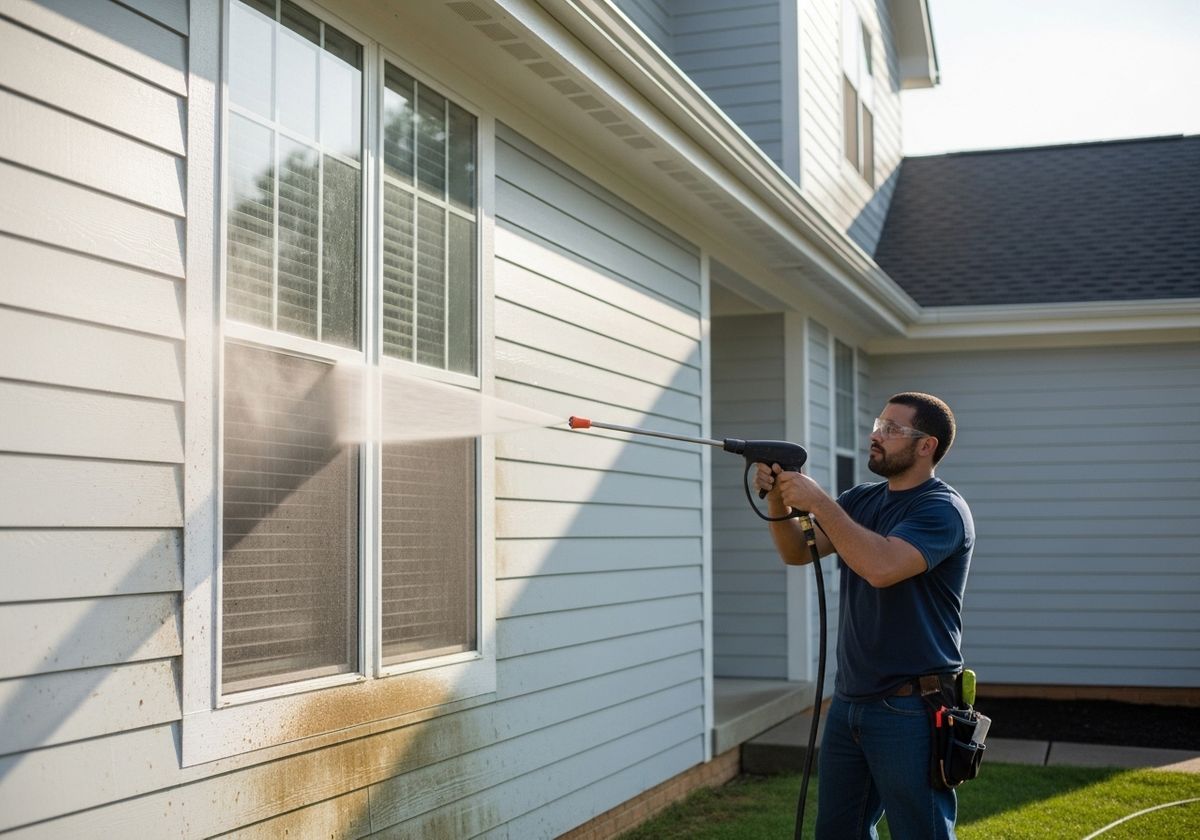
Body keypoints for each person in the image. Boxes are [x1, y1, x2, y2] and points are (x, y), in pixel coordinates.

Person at [754, 391, 974, 840]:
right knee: (839, 832)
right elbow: (797, 552)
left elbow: (882, 567)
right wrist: (779, 498)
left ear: (926, 445)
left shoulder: (942, 509)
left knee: (921, 832)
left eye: (892, 429)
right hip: (850, 700)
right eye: (878, 424)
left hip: (912, 706)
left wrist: (818, 501)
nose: (876, 435)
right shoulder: (860, 501)